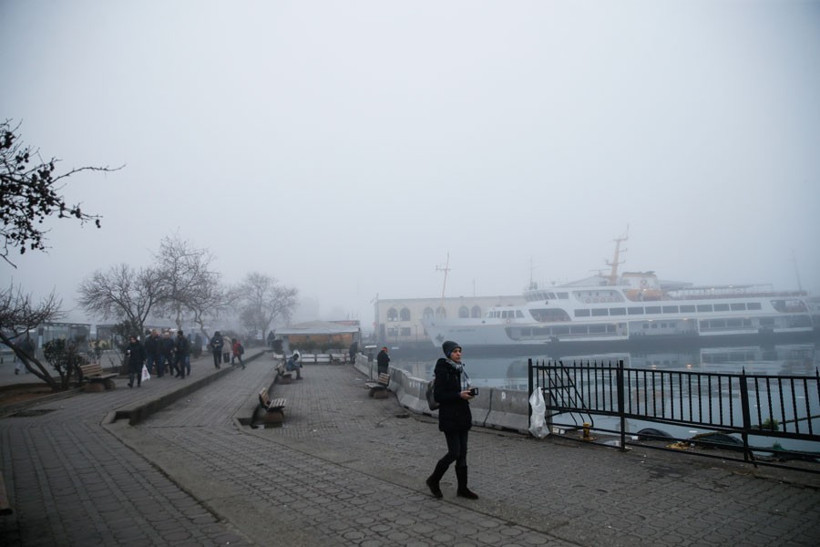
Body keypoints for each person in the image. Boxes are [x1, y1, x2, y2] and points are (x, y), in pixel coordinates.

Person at [425, 340, 478, 500]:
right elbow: (439, 395)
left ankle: (462, 488)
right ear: (448, 354)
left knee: (463, 454)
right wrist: (458, 395)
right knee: (454, 452)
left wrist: (467, 393)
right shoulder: (443, 370)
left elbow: (460, 391)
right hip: (449, 417)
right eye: (455, 351)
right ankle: (433, 480)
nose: (458, 354)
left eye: (459, 351)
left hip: (462, 416)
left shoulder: (460, 369)